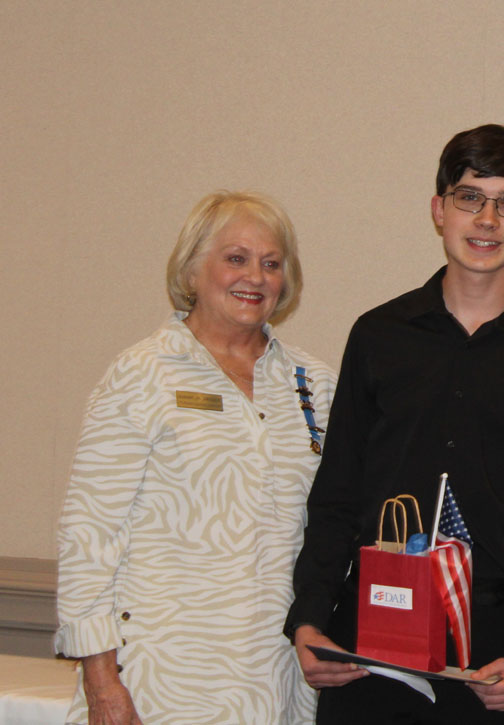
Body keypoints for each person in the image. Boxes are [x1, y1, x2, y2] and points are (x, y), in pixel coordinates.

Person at [285, 123, 504, 723]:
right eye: (470, 197)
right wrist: (310, 618)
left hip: (491, 655)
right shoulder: (377, 336)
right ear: (438, 210)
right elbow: (338, 490)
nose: (487, 220)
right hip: (367, 638)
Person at [54, 191, 335, 724]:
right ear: (192, 269)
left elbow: (334, 523)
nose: (255, 276)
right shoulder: (142, 374)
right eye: (236, 258)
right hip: (159, 678)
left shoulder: (314, 384)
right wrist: (100, 679)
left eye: (271, 263)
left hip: (275, 676)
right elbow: (89, 533)